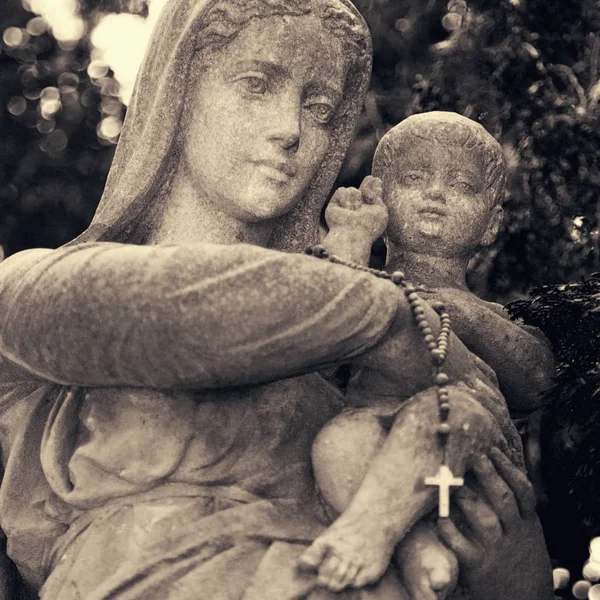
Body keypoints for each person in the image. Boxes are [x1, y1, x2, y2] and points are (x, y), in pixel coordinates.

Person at [0, 2, 552, 599]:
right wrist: (394, 317)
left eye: (319, 109)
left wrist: (510, 568)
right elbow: (187, 315)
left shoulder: (345, 378)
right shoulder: (39, 285)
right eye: (257, 85)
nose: (290, 128)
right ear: (179, 90)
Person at [300, 113, 555, 598]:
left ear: (491, 222)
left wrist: (470, 315)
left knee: (444, 415)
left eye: (461, 184)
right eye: (415, 178)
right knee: (338, 443)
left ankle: (390, 538)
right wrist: (352, 239)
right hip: (375, 445)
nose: (435, 193)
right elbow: (317, 324)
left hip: (463, 444)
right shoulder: (364, 285)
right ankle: (409, 546)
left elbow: (540, 379)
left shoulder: (490, 315)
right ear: (379, 193)